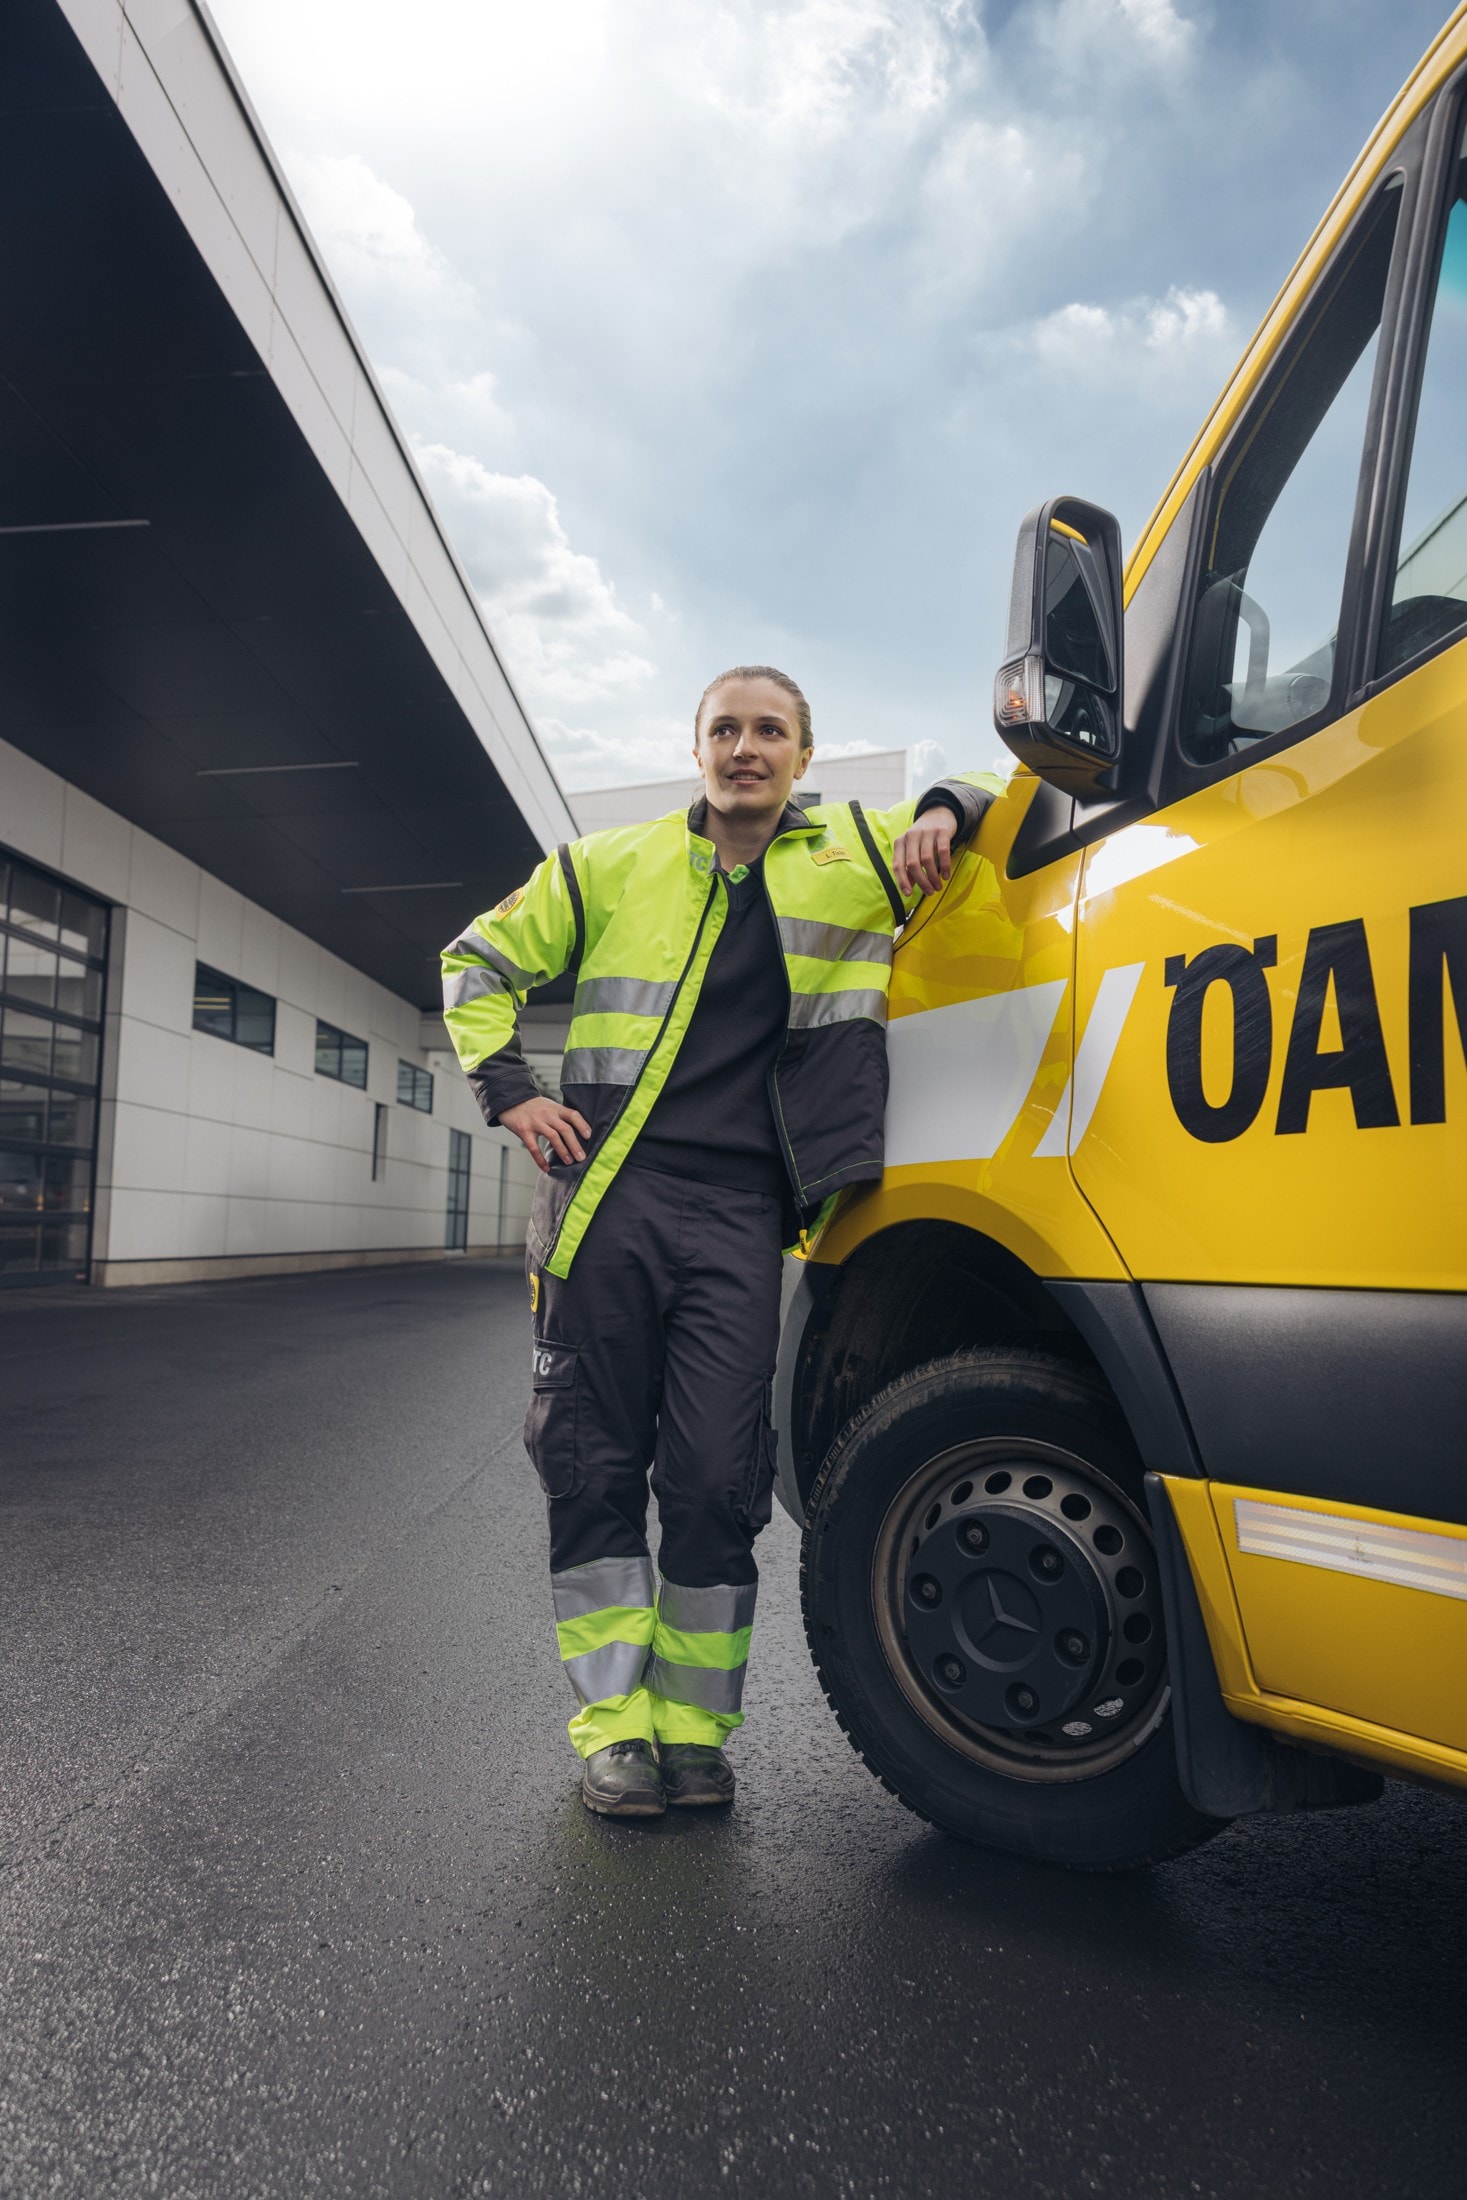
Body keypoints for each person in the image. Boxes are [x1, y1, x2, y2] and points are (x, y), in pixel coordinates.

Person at [442, 667, 993, 1818]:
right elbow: (475, 960)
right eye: (725, 729)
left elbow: (995, 784)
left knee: (713, 1478)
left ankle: (695, 1732)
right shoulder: (610, 864)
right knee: (593, 1468)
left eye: (770, 731)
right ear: (697, 749)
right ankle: (612, 1733)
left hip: (747, 1218)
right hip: (608, 1206)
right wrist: (507, 1089)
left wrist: (945, 804)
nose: (746, 747)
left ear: (804, 754)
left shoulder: (854, 850)